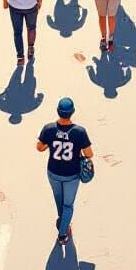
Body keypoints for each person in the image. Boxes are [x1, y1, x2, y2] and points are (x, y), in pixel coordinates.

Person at [37, 98, 93, 246]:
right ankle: (62, 233)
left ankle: (63, 222)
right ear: (72, 112)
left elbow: (39, 147)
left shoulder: (49, 129)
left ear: (58, 111)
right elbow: (89, 154)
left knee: (59, 201)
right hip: (71, 175)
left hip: (53, 172)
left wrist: (52, 143)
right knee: (68, 205)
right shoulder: (79, 132)